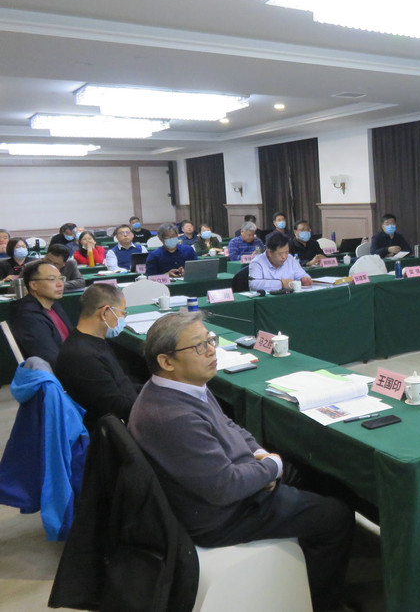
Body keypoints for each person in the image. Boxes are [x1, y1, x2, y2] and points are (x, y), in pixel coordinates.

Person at [128, 312, 353, 611]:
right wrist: (269, 468)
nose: (211, 351)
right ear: (166, 361)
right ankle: (322, 604)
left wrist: (261, 456)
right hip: (222, 515)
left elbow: (228, 425)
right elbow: (225, 487)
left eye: (211, 340)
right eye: (198, 346)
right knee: (337, 517)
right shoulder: (174, 416)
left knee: (312, 474)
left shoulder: (181, 385)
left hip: (227, 482)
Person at [54, 284, 140, 433]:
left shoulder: (92, 341)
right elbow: (119, 408)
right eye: (122, 313)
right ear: (105, 312)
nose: (123, 319)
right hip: (107, 431)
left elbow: (120, 383)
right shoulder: (82, 357)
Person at [7, 260, 72, 364]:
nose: (60, 284)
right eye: (52, 279)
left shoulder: (54, 305)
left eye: (61, 278)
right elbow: (49, 358)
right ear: (34, 285)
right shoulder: (27, 316)